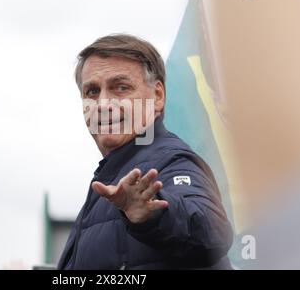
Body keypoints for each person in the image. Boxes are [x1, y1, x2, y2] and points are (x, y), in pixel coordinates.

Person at [58, 34, 233, 269]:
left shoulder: (170, 161)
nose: (103, 104)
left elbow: (210, 230)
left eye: (121, 88)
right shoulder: (110, 178)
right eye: (92, 92)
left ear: (157, 96)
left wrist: (154, 215)